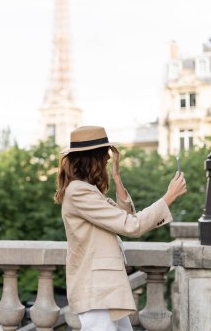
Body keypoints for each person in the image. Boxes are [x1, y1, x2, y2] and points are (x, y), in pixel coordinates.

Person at [55, 126, 186, 331]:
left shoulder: (88, 191)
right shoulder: (79, 192)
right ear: (93, 158)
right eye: (104, 155)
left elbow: (126, 217)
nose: (108, 159)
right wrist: (168, 197)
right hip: (96, 290)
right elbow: (131, 226)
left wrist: (117, 179)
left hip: (106, 289)